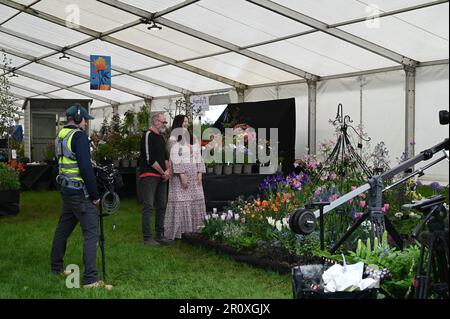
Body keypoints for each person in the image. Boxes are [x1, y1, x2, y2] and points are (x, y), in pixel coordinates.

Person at [50, 104, 112, 290]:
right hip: (80, 192)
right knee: (92, 233)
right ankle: (90, 280)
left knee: (63, 229)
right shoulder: (79, 136)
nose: (86, 124)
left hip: (67, 191)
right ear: (78, 119)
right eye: (85, 120)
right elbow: (85, 168)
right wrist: (94, 196)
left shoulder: (61, 136)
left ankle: (56, 267)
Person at [164, 115, 206, 241]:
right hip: (180, 176)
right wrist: (181, 174)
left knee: (195, 199)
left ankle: (195, 229)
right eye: (184, 122)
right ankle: (180, 230)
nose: (186, 124)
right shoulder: (173, 138)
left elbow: (199, 156)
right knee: (180, 201)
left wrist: (200, 172)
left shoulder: (193, 137)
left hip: (194, 176)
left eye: (187, 122)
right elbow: (174, 157)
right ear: (178, 123)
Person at [139, 113, 171, 246]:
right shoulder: (148, 135)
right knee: (148, 205)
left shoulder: (161, 138)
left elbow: (165, 157)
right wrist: (163, 171)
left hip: (162, 176)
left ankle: (160, 234)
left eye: (165, 123)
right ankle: (147, 237)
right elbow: (149, 159)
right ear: (155, 121)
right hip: (149, 175)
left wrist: (168, 171)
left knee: (162, 205)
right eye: (163, 122)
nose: (165, 125)